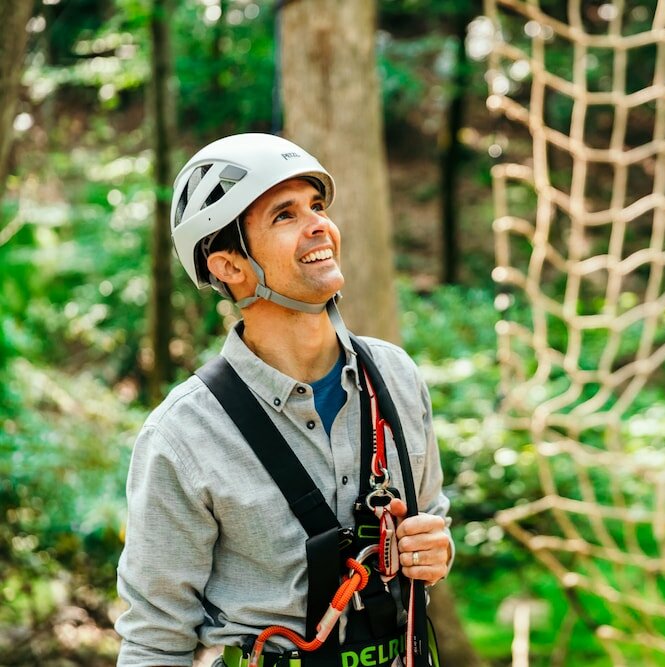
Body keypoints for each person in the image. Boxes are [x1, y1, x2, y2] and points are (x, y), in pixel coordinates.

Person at [115, 134, 452, 667]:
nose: (319, 224)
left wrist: (435, 549)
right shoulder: (184, 435)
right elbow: (155, 640)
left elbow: (430, 520)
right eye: (285, 215)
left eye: (317, 206)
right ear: (229, 267)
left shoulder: (395, 378)